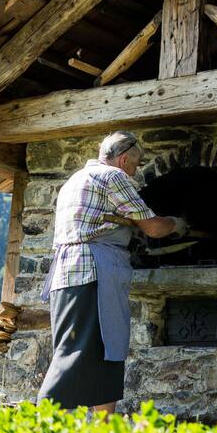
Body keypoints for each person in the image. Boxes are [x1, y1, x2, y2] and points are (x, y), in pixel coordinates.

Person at [36, 131, 186, 415]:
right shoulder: (112, 177)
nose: (136, 172)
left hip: (68, 273)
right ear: (124, 158)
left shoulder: (74, 180)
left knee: (105, 353)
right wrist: (178, 224)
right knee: (75, 354)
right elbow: (153, 227)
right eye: (136, 165)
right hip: (91, 272)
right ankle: (41, 430)